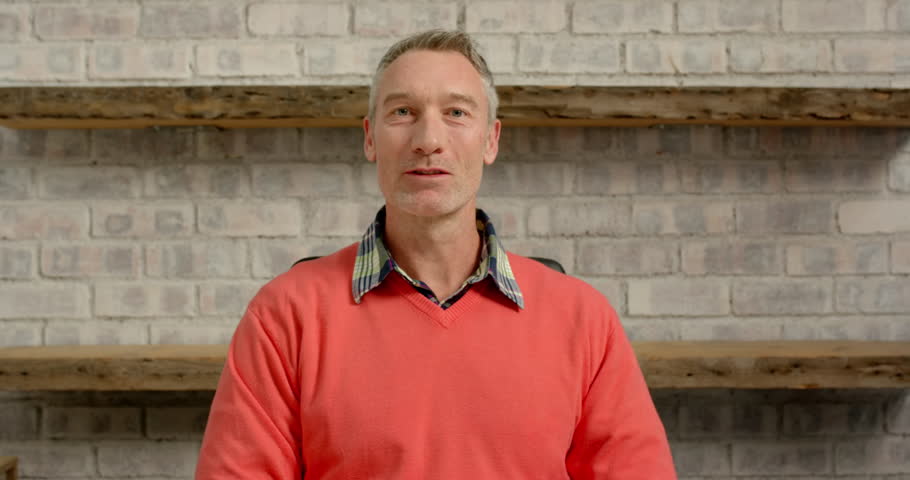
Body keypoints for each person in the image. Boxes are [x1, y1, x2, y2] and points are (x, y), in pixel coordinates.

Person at [196, 29, 677, 479]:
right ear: (369, 138)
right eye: (403, 112)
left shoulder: (583, 319)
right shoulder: (284, 316)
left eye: (457, 113)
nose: (428, 140)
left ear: (491, 140)